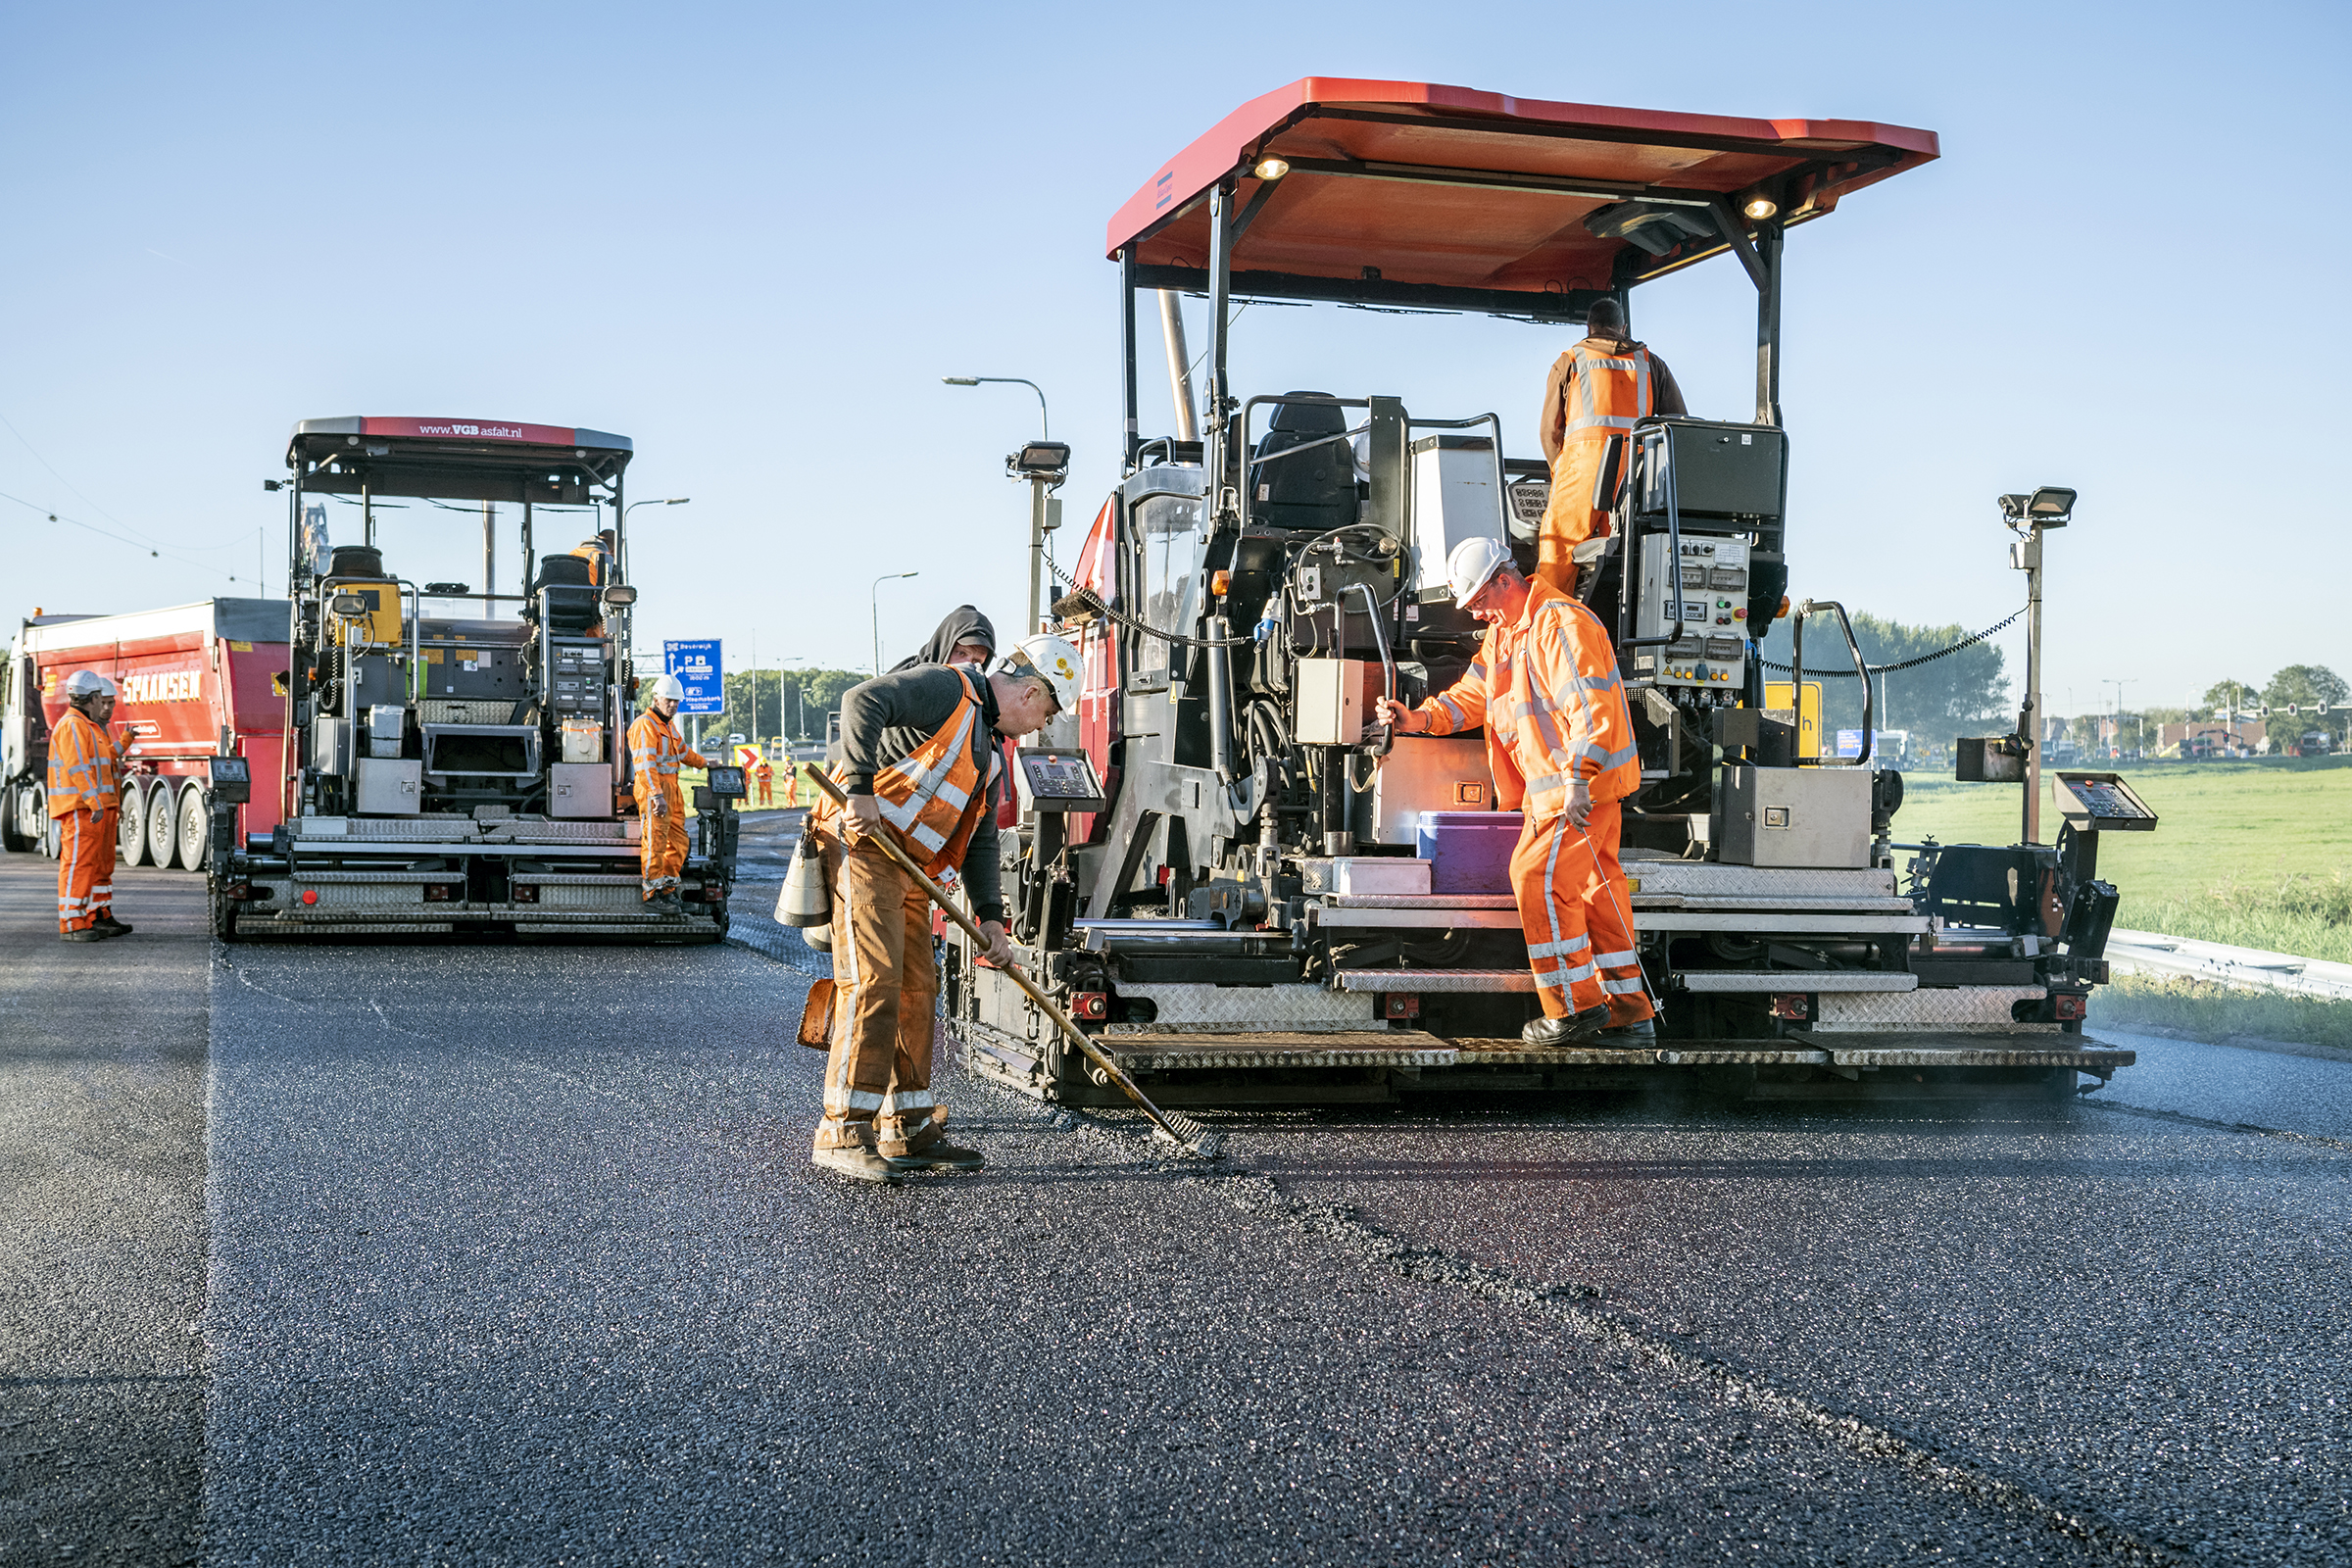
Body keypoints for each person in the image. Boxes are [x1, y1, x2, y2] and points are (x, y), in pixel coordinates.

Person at [806, 634, 1079, 1184]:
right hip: (863, 848)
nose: (1042, 727)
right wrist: (858, 789)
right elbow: (862, 700)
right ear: (1029, 692)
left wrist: (991, 918)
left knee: (916, 989)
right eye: (1047, 713)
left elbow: (978, 840)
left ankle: (907, 1127)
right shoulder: (948, 688)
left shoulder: (991, 754)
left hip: (909, 868)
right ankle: (842, 1130)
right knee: (874, 982)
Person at [1375, 539, 1656, 1046]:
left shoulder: (1559, 624)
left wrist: (1578, 779)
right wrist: (1417, 718)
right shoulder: (1507, 635)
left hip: (1574, 794)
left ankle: (1572, 1009)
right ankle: (1629, 1015)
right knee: (1596, 897)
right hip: (1564, 793)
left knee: (1535, 879)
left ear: (1505, 580)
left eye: (1479, 600)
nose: (1477, 614)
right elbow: (1472, 698)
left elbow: (1592, 713)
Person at [1533, 297, 1688, 597]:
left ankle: (1550, 628)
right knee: (1622, 559)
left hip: (1582, 471)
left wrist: (1561, 471)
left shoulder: (1570, 360)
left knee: (1559, 555)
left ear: (1589, 327)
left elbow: (1549, 431)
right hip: (1636, 476)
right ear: (1623, 327)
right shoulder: (1651, 363)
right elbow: (1678, 424)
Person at [48, 670, 129, 943]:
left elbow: (103, 761)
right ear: (92, 698)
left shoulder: (87, 726)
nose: (104, 706)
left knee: (94, 864)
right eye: (101, 700)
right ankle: (72, 922)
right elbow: (78, 769)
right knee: (78, 865)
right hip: (81, 806)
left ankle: (92, 915)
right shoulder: (74, 725)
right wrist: (95, 802)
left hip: (91, 806)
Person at [627, 674, 710, 914]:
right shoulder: (645, 724)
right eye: (668, 700)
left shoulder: (668, 726)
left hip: (671, 789)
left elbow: (683, 752)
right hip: (656, 791)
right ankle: (652, 894)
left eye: (676, 701)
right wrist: (656, 795)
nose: (673, 705)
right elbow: (645, 765)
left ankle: (669, 891)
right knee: (655, 842)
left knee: (679, 842)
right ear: (656, 699)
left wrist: (706, 763)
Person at [889, 606, 997, 673]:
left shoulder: (980, 698)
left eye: (977, 661)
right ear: (943, 648)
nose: (968, 665)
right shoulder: (903, 682)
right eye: (961, 653)